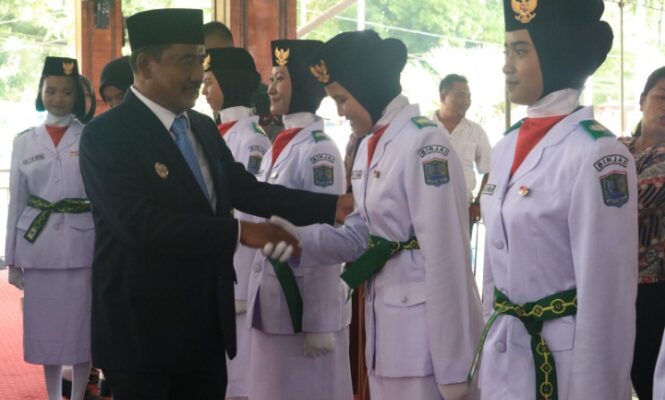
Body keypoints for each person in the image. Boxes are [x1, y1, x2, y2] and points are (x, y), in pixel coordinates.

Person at [78, 8, 351, 400]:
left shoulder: (201, 127)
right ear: (146, 64)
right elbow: (138, 223)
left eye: (200, 59)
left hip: (205, 326)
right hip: (142, 332)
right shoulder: (107, 135)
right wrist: (241, 231)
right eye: (186, 61)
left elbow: (246, 190)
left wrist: (332, 207)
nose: (197, 74)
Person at [271, 29, 484, 400]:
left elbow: (447, 257)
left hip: (427, 343)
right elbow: (359, 235)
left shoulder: (425, 143)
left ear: (366, 87)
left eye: (342, 99)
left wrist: (455, 367)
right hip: (386, 332)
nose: (340, 112)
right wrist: (295, 240)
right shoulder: (372, 144)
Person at [472, 0, 638, 399]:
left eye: (520, 51)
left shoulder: (598, 154)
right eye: (506, 51)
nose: (506, 66)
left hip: (562, 366)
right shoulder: (505, 145)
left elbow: (607, 297)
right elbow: (495, 269)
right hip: (503, 354)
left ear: (556, 54)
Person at [245, 39, 352, 400]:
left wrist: (320, 319)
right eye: (271, 79)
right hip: (274, 300)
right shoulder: (281, 144)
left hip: (304, 308)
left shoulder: (320, 149)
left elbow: (327, 234)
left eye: (280, 79)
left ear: (303, 85)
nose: (271, 89)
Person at [5, 56, 93, 400]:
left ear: (77, 97)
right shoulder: (24, 141)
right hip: (38, 247)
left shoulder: (90, 137)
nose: (58, 98)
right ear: (41, 93)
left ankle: (79, 393)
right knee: (47, 333)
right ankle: (54, 395)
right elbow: (16, 200)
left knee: (82, 331)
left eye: (67, 92)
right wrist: (12, 260)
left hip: (82, 246)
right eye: (51, 90)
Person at [201, 46, 272, 399]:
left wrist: (241, 283)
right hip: (217, 258)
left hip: (239, 266)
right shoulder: (218, 131)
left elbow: (251, 212)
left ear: (228, 83)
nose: (203, 89)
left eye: (210, 82)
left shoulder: (251, 138)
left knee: (241, 369)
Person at [620, 66, 665, 400]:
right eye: (661, 97)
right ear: (642, 101)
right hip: (611, 281)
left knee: (647, 373)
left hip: (652, 287)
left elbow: (625, 205)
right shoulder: (617, 147)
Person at [432, 74, 491, 231]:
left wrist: (478, 203)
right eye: (460, 95)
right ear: (443, 97)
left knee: (461, 249)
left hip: (463, 211)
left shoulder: (476, 131)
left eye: (468, 96)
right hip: (426, 210)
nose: (466, 101)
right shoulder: (424, 129)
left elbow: (490, 169)